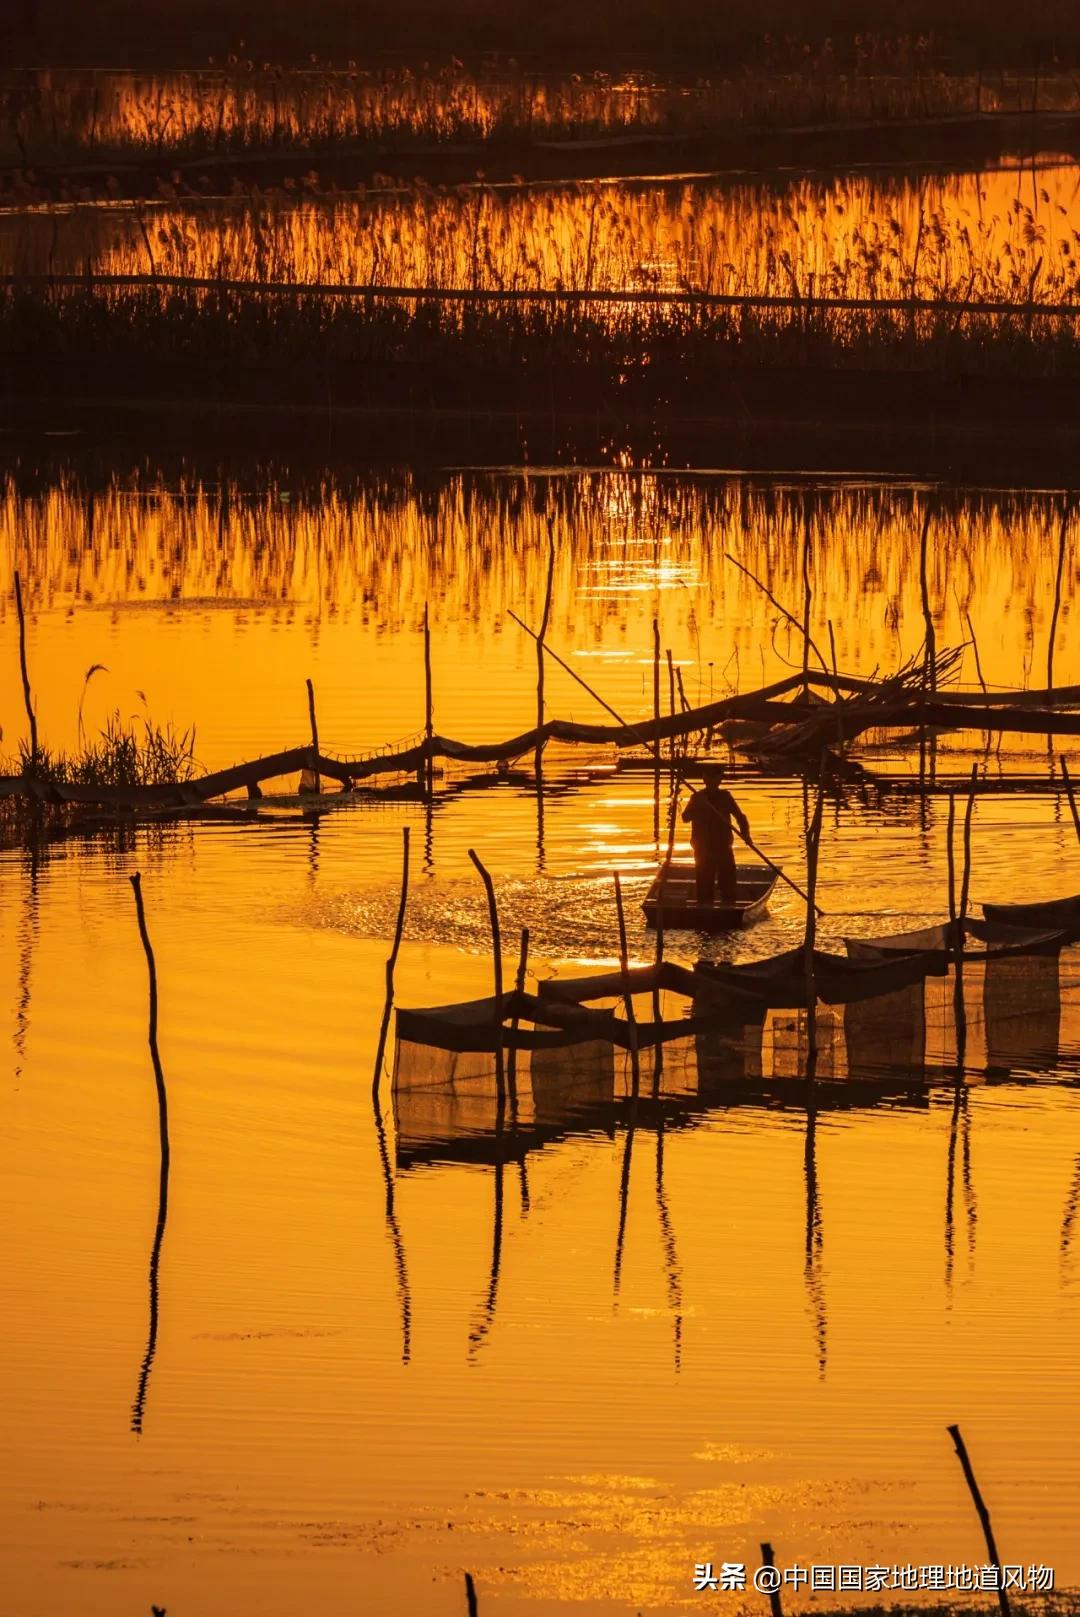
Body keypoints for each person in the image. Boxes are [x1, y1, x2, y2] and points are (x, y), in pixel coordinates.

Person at [681, 764, 750, 905]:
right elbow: (685, 817)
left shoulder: (726, 797)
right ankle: (704, 912)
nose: (711, 781)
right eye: (708, 777)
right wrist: (698, 806)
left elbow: (740, 817)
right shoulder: (697, 797)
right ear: (704, 779)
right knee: (704, 886)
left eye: (714, 777)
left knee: (728, 885)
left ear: (719, 780)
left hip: (723, 846)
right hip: (702, 848)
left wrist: (746, 835)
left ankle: (729, 910)